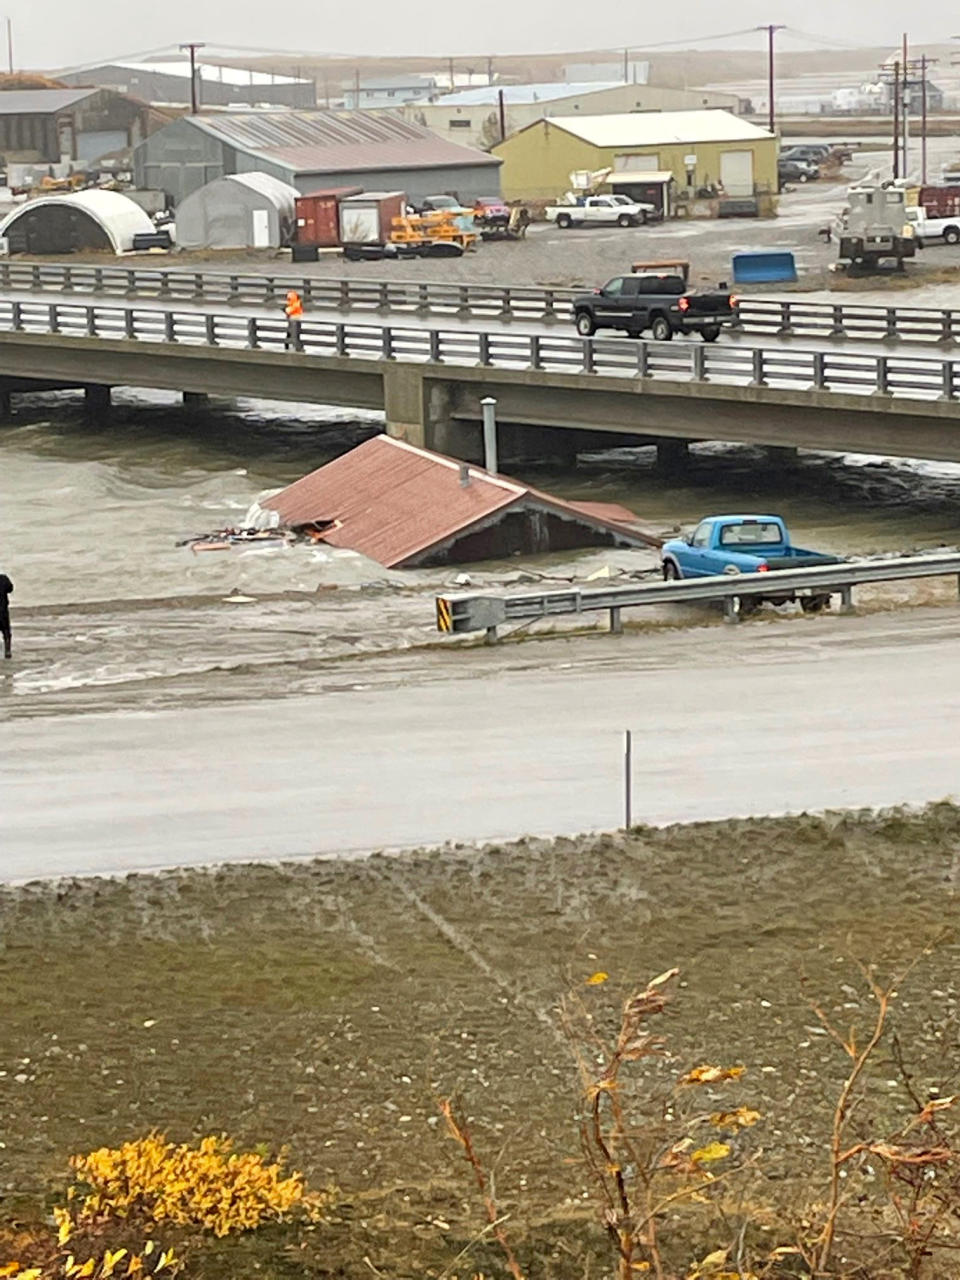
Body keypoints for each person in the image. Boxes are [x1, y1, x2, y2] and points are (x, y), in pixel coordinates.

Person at [0, 571, 12, 659]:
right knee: (6, 631)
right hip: (3, 610)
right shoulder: (3, 578)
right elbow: (10, 589)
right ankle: (7, 650)